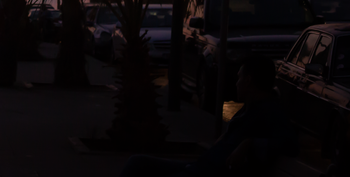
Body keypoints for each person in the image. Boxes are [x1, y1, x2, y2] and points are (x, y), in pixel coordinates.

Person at [119, 54, 298, 177]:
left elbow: (290, 143)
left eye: (239, 78)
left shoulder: (270, 112)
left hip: (208, 172)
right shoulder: (251, 108)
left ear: (249, 81)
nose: (236, 83)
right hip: (200, 167)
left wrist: (248, 143)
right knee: (137, 163)